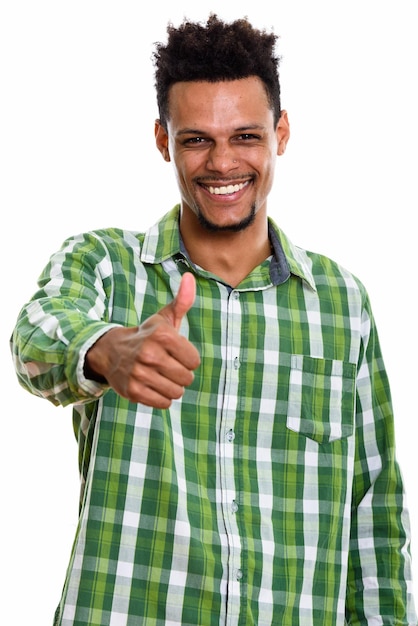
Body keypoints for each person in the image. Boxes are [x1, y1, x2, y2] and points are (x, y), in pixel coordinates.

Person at [10, 14, 417, 626]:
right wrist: (105, 348)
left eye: (245, 136)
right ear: (161, 139)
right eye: (196, 139)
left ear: (281, 132)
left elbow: (374, 512)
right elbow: (35, 338)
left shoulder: (342, 301)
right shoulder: (105, 265)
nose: (222, 163)